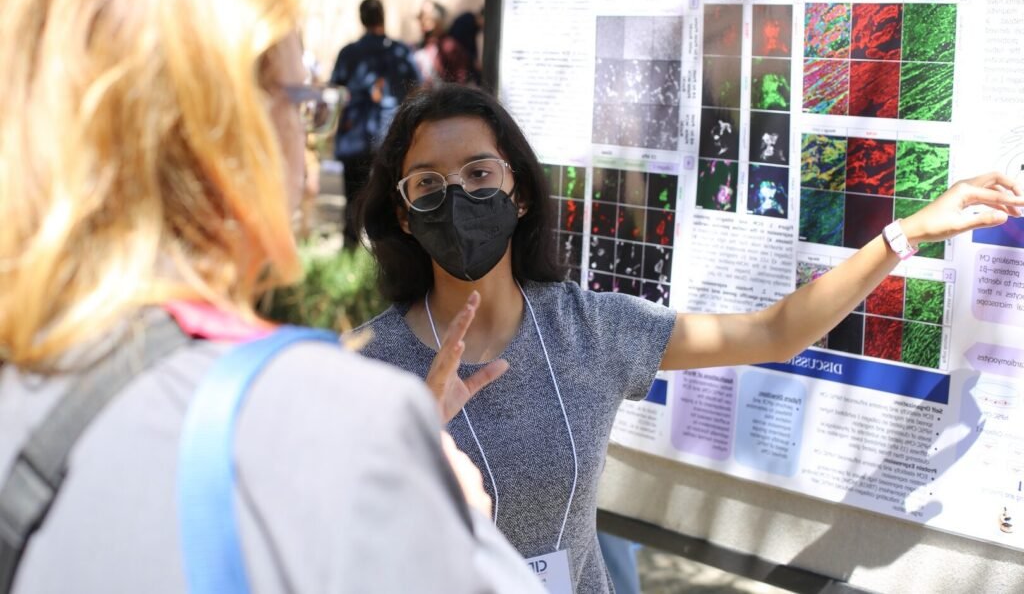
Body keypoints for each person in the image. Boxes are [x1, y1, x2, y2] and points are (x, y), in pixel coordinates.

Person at [0, 0, 543, 593]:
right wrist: (454, 513)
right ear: (227, 132)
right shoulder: (339, 422)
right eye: (302, 104)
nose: (308, 139)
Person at [353, 83, 1024, 593]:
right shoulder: (367, 368)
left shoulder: (589, 329)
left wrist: (903, 234)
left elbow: (775, 331)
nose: (458, 196)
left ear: (519, 192)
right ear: (405, 217)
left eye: (479, 173)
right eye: (427, 185)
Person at [330, 0, 420, 246]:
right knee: (393, 190)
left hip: (355, 132)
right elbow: (416, 87)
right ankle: (391, 244)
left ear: (362, 19)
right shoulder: (401, 51)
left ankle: (351, 242)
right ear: (383, 16)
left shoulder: (348, 53)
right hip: (391, 131)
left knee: (354, 192)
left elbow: (337, 89)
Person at [414, 0, 474, 86]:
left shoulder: (449, 46)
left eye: (426, 16)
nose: (422, 20)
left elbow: (460, 79)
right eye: (420, 16)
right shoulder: (420, 46)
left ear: (438, 19)